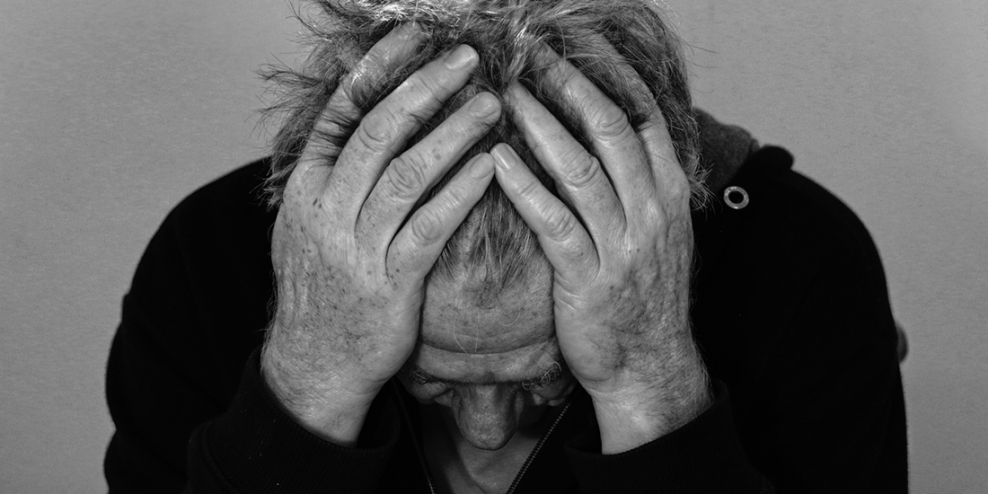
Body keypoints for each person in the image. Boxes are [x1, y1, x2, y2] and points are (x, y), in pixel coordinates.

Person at [104, 0, 908, 492]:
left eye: (549, 379)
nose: (487, 430)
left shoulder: (805, 266)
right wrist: (311, 381)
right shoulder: (205, 263)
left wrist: (648, 382)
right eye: (435, 381)